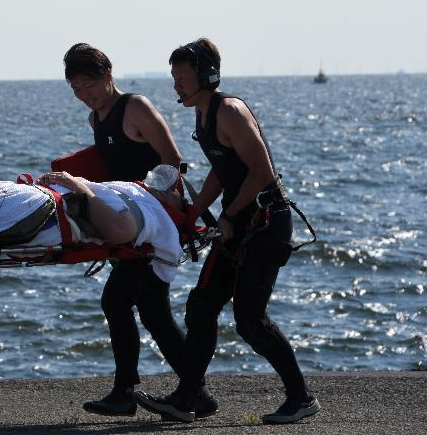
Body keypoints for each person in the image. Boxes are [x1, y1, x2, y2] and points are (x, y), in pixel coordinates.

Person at [134, 38, 320, 424]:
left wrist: (231, 215)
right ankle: (189, 398)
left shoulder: (229, 112)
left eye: (183, 77)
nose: (176, 85)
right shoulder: (202, 117)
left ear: (208, 75)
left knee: (251, 321)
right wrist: (194, 211)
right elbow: (224, 169)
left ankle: (301, 399)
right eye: (174, 77)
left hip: (266, 223)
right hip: (238, 222)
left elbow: (262, 172)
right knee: (201, 307)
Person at [63, 43, 217, 419]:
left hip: (154, 224)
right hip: (128, 226)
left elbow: (172, 161)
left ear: (108, 76)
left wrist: (151, 209)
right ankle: (198, 394)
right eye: (77, 90)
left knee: (116, 301)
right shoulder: (96, 121)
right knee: (153, 310)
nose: (85, 97)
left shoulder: (135, 107)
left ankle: (124, 391)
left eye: (89, 86)